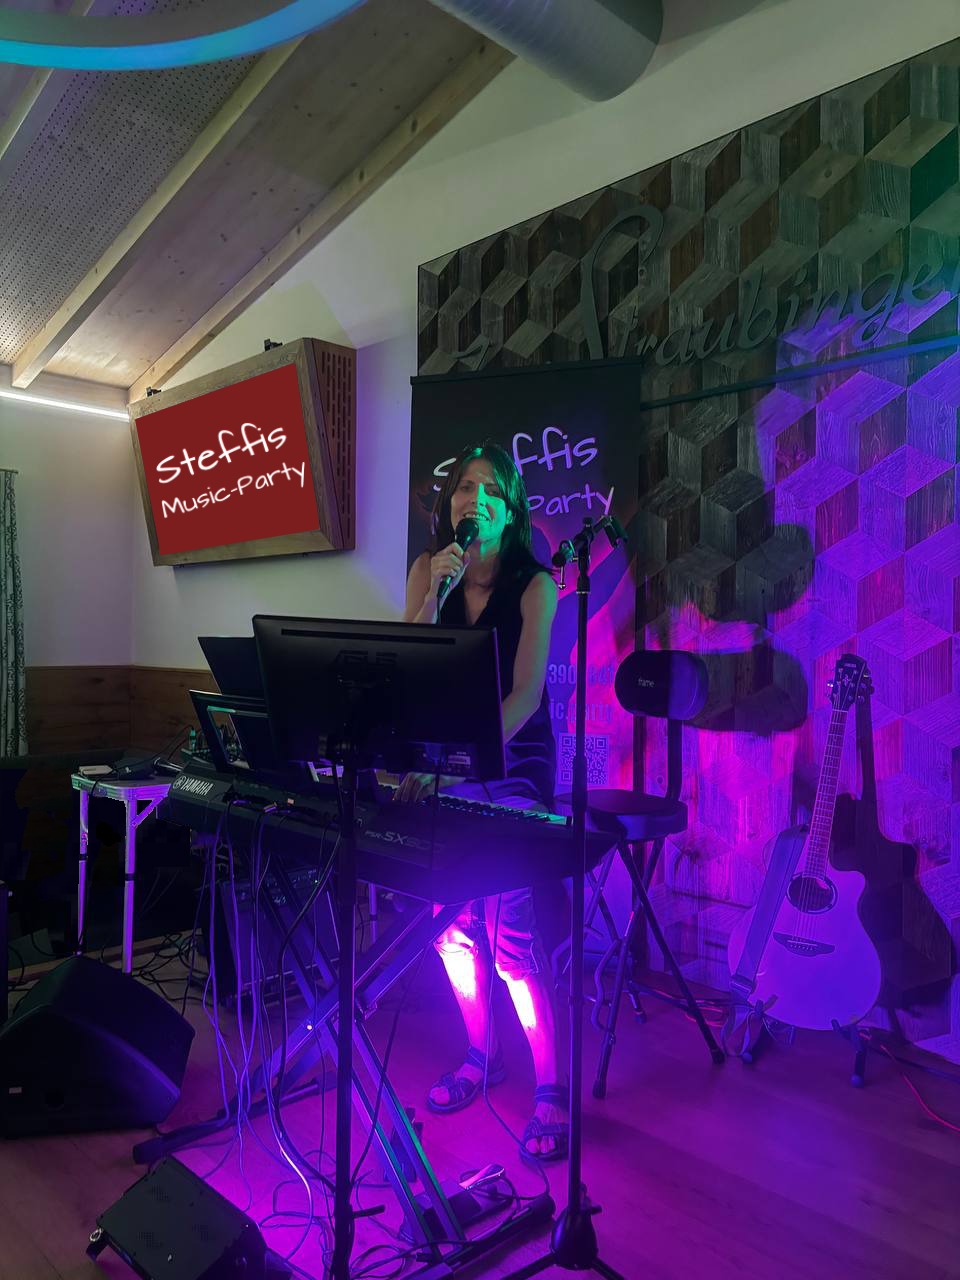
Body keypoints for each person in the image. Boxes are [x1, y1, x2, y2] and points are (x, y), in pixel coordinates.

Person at [399, 441, 567, 1163]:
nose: (476, 500)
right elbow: (403, 668)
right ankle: (481, 1054)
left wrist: (458, 767)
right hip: (445, 762)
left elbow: (525, 698)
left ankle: (551, 1085)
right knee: (447, 925)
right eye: (465, 488)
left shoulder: (536, 585)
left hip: (514, 760)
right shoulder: (428, 571)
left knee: (511, 939)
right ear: (450, 504)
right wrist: (428, 599)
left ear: (511, 507)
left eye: (492, 489)